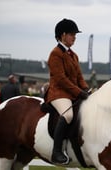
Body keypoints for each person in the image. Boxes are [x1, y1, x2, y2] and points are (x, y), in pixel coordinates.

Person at [45, 18, 89, 165]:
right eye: (72, 34)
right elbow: (61, 79)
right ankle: (56, 152)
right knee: (69, 114)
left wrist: (87, 90)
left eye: (75, 34)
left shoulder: (73, 55)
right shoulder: (55, 54)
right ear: (63, 35)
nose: (74, 37)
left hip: (71, 92)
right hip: (58, 93)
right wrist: (79, 93)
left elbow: (79, 77)